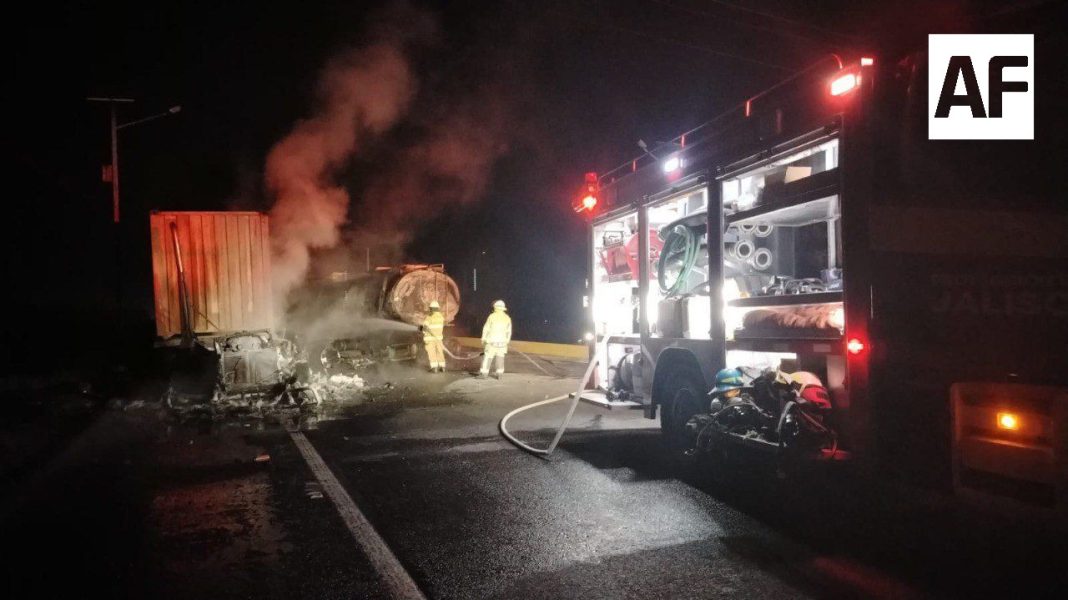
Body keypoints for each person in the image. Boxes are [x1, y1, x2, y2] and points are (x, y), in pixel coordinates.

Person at [478, 299, 511, 379]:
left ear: (495, 307)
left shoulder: (492, 316)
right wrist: (507, 341)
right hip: (502, 343)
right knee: (500, 358)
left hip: (491, 342)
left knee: (487, 357)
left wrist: (483, 338)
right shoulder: (507, 318)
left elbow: (486, 328)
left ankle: (484, 374)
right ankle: (499, 374)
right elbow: (509, 331)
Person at [422, 300, 446, 373]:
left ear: (431, 308)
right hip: (439, 339)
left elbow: (425, 328)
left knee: (432, 353)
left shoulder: (429, 317)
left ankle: (434, 368)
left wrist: (422, 329)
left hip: (430, 339)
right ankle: (442, 367)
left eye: (430, 308)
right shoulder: (441, 317)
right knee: (440, 352)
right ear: (438, 308)